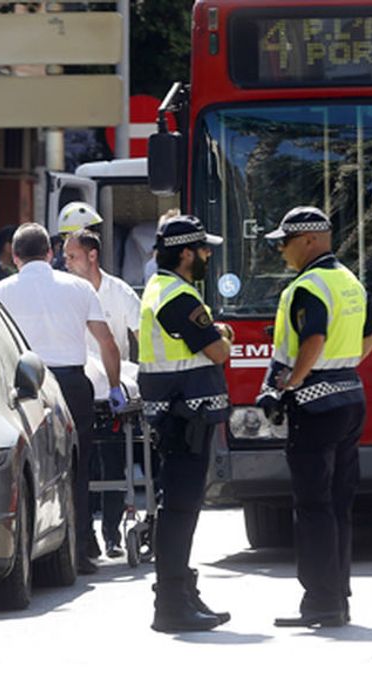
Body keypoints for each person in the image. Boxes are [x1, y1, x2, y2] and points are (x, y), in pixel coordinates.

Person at [257, 205, 372, 629]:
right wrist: (345, 363)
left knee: (312, 505)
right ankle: (339, 599)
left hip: (315, 404)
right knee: (338, 504)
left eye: (285, 243)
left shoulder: (309, 285)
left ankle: (321, 603)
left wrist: (291, 382)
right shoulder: (348, 280)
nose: (282, 252)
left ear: (309, 240)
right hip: (350, 397)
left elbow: (314, 336)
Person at [0, 223, 126, 575]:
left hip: (26, 386)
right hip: (71, 383)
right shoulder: (79, 288)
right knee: (75, 470)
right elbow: (108, 342)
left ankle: (30, 552)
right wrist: (114, 387)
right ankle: (78, 551)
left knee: (31, 469)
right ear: (50, 254)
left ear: (15, 257)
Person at [138, 214, 233, 633]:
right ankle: (172, 603)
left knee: (181, 508)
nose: (209, 255)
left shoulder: (169, 290)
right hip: (184, 419)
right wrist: (221, 336)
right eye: (204, 249)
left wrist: (217, 334)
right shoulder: (176, 295)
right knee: (179, 509)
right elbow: (217, 352)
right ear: (187, 253)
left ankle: (182, 592)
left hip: (181, 418)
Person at [63, 227, 141, 558]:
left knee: (113, 463)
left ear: (92, 256)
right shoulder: (65, 292)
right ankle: (84, 537)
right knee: (81, 466)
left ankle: (111, 534)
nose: (65, 263)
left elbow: (140, 334)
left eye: (72, 256)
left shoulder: (119, 293)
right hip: (79, 388)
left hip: (112, 390)